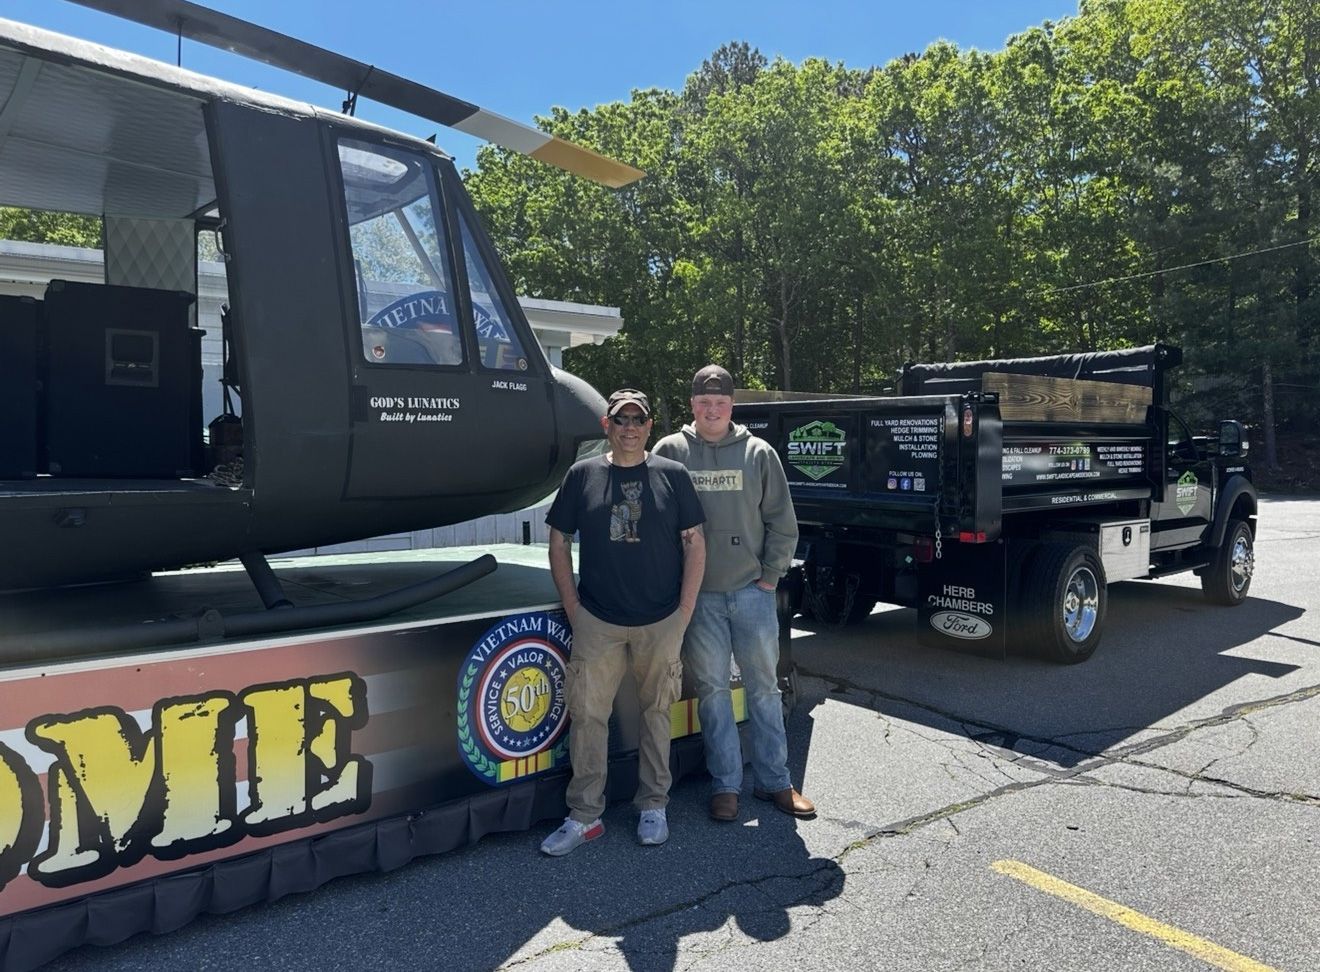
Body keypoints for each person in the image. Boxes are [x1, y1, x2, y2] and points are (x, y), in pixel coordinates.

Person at [540, 388, 707, 856]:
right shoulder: (582, 475)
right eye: (621, 419)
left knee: (657, 714)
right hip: (598, 619)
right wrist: (574, 608)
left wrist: (684, 612)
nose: (629, 427)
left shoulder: (673, 475)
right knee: (588, 716)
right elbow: (558, 543)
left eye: (638, 419)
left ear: (650, 425)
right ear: (606, 426)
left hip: (661, 620)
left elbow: (695, 544)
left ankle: (653, 805)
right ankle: (585, 816)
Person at [654, 365, 815, 822]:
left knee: (764, 689)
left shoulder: (759, 453)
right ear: (692, 405)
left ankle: (775, 782)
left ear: (731, 406)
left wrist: (769, 575)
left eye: (720, 403)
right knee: (712, 692)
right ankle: (725, 786)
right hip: (698, 597)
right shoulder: (671, 451)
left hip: (751, 593)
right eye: (703, 402)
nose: (711, 410)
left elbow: (782, 522)